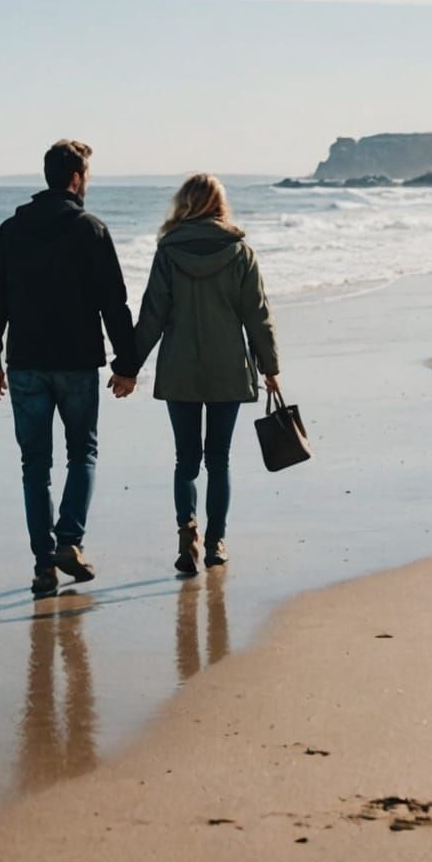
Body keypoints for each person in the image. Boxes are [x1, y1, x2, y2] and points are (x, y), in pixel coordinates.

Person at [0, 140, 140, 599]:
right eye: (86, 176)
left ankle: (43, 567)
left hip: (26, 362)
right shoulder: (91, 229)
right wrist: (126, 364)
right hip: (76, 363)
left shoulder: (11, 230)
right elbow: (115, 302)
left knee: (35, 466)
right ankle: (69, 541)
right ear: (75, 179)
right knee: (82, 454)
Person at [131, 173, 281, 575]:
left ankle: (187, 533)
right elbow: (257, 315)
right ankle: (216, 542)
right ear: (219, 204)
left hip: (179, 370)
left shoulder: (168, 251)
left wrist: (128, 367)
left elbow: (152, 315)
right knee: (219, 459)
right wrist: (270, 368)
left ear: (185, 203)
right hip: (227, 370)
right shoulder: (240, 252)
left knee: (186, 460)